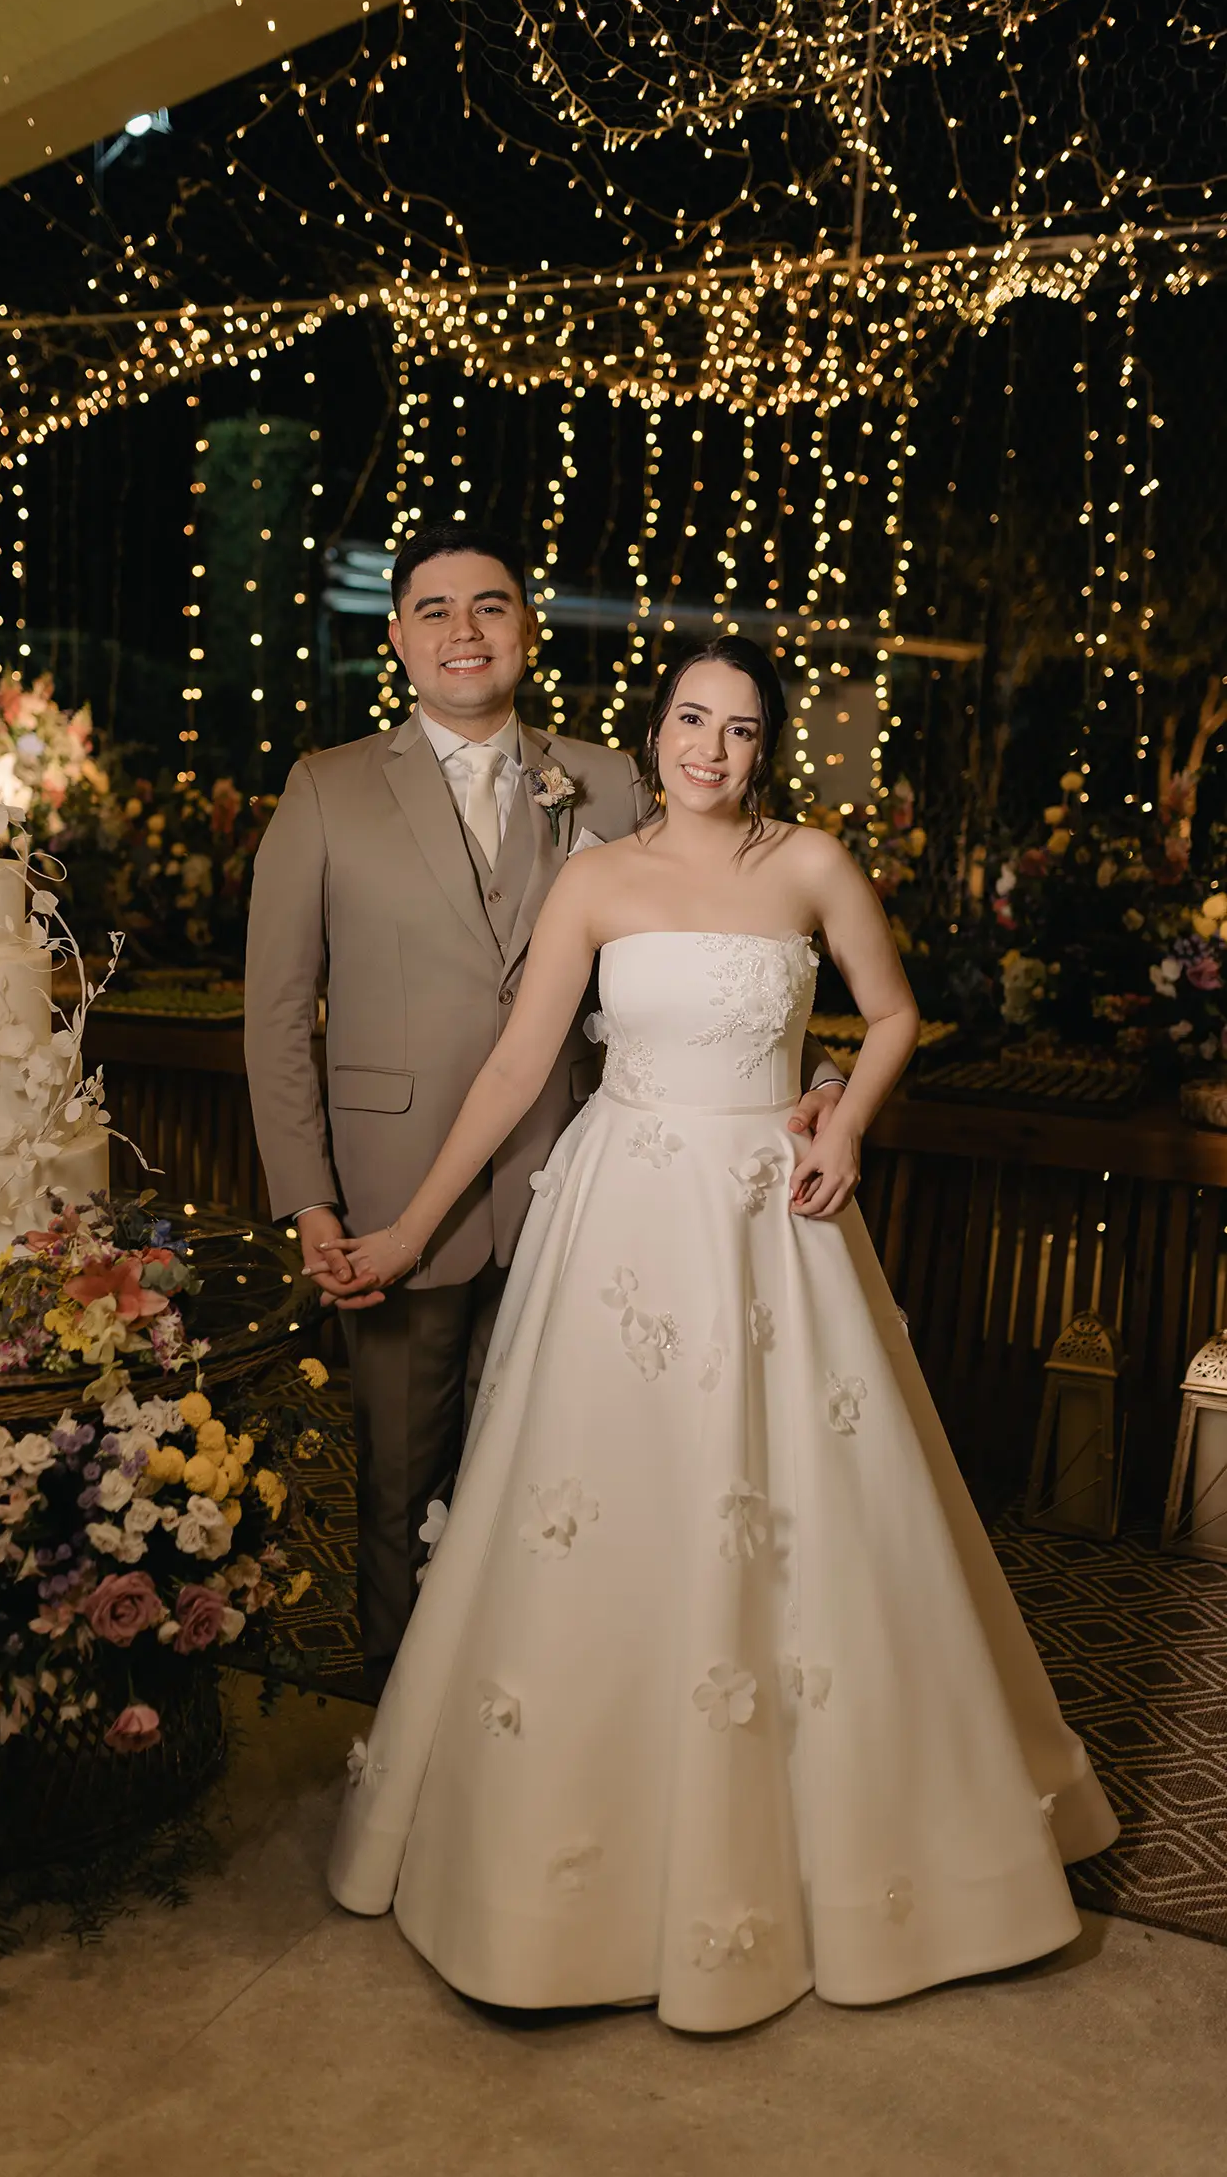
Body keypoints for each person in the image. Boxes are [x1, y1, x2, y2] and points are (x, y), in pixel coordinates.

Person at [325, 636, 1119, 2032]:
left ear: (768, 748)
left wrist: (843, 1113)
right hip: (624, 1217)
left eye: (741, 729)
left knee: (800, 1511)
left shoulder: (808, 863)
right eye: (692, 720)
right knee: (608, 1506)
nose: (712, 749)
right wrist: (403, 1230)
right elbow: (517, 1067)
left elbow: (894, 1014)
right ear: (655, 733)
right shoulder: (596, 878)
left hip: (769, 1212)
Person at [244, 522, 848, 1694]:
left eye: (491, 605)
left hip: (593, 1196)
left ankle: (539, 1701)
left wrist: (819, 1080)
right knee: (395, 1479)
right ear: (397, 637)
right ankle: (403, 1708)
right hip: (394, 1192)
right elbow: (274, 1020)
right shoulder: (325, 789)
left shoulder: (611, 779)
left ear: (526, 626)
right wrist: (311, 1201)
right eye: (435, 610)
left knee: (567, 1471)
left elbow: (712, 956)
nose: (463, 630)